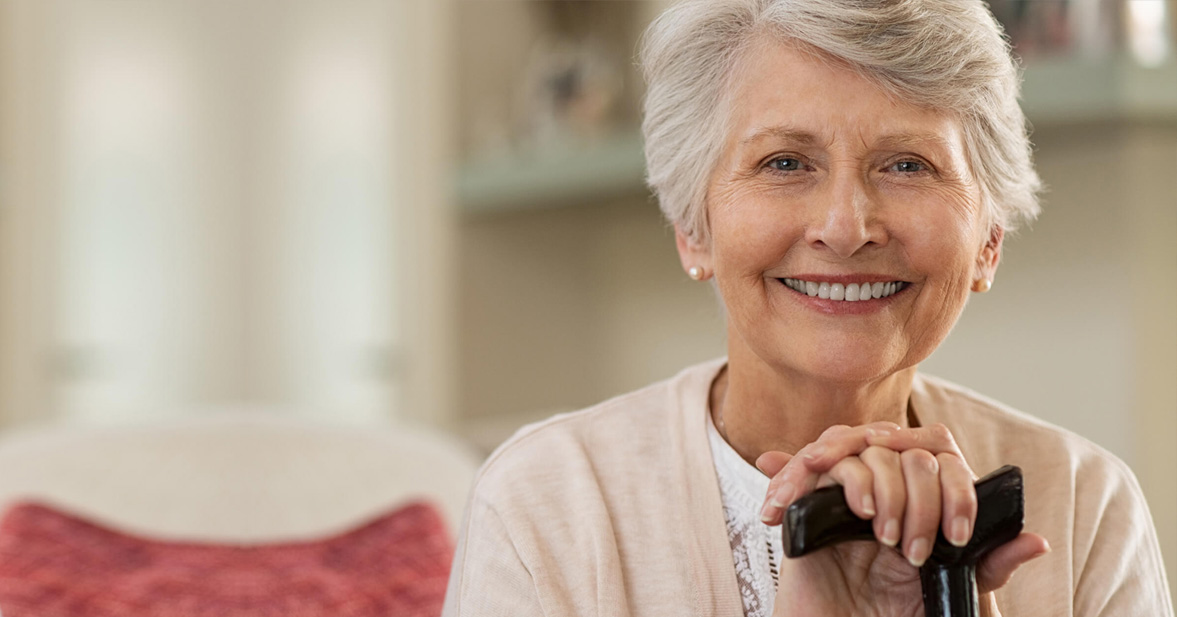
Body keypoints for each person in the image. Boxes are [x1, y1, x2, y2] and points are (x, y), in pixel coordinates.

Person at [441, 0, 1174, 615]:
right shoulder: (546, 503)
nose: (846, 226)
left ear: (988, 240)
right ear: (692, 228)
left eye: (906, 164)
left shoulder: (1084, 502)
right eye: (784, 163)